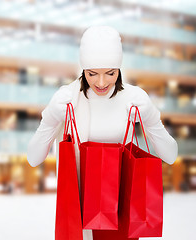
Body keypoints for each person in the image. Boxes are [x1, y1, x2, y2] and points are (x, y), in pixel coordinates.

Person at [27, 25, 178, 240]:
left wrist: (152, 119)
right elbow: (33, 159)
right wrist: (50, 118)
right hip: (80, 218)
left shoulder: (134, 98)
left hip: (121, 213)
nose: (101, 82)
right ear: (83, 69)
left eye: (110, 73)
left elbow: (171, 156)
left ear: (119, 69)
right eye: (92, 73)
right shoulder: (68, 98)